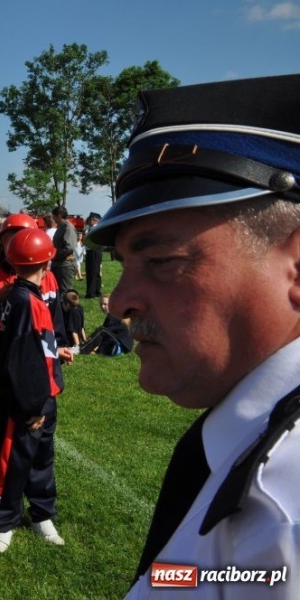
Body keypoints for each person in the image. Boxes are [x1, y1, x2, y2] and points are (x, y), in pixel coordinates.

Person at [86, 74, 300, 598]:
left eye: (162, 260)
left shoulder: (281, 515)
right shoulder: (245, 442)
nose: (120, 301)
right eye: (124, 264)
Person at [0, 228, 66, 554]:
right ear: (47, 264)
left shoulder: (23, 296)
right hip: (28, 402)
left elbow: (37, 345)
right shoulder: (23, 301)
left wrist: (56, 351)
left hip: (43, 397)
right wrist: (32, 406)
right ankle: (4, 521)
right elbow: (21, 359)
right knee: (15, 463)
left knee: (42, 460)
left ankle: (42, 514)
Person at [49, 205, 77, 294]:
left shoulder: (68, 227)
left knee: (65, 292)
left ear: (59, 216)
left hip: (65, 265)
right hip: (59, 264)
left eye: (54, 216)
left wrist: (55, 255)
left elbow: (69, 247)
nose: (53, 219)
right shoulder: (61, 227)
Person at [83, 212, 103, 298]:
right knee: (95, 271)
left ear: (95, 220)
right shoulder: (89, 229)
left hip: (94, 251)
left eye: (91, 219)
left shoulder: (95, 228)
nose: (89, 221)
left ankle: (91, 292)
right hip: (91, 251)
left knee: (92, 272)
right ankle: (97, 290)